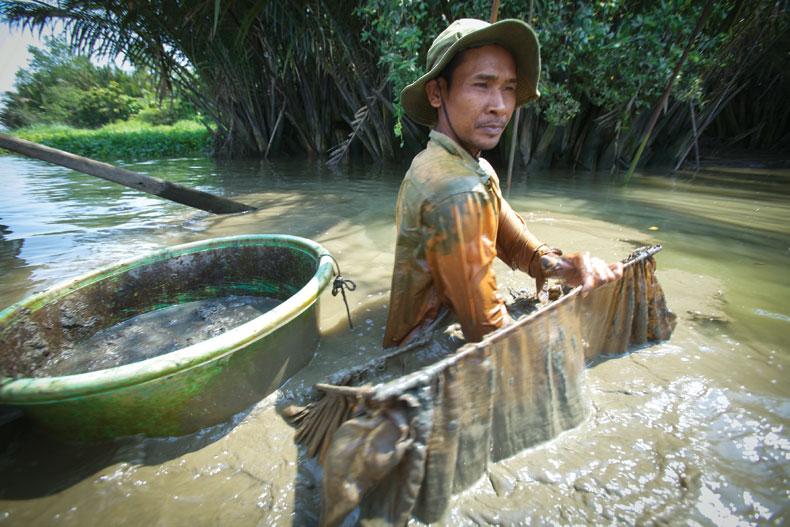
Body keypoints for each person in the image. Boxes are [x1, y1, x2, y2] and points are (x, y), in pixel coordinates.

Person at [383, 18, 623, 348]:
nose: (499, 106)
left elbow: (513, 244)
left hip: (436, 335)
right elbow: (489, 331)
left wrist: (565, 267)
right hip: (424, 353)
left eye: (508, 88)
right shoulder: (457, 189)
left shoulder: (462, 167)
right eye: (482, 85)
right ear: (436, 93)